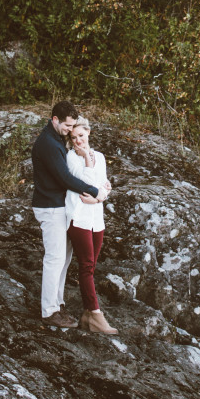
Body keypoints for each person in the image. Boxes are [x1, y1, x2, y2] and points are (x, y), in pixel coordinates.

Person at [31, 101, 101, 327]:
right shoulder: (48, 144)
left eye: (73, 126)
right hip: (50, 207)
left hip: (58, 207)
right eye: (67, 126)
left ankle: (57, 304)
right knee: (55, 258)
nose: (70, 131)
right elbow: (65, 179)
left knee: (64, 258)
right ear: (54, 120)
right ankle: (49, 311)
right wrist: (94, 191)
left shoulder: (55, 137)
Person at [65, 117, 117, 335]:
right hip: (78, 218)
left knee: (92, 267)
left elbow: (104, 187)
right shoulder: (70, 158)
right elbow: (83, 185)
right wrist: (86, 158)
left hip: (96, 219)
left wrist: (98, 198)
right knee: (86, 266)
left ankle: (87, 316)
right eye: (74, 137)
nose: (78, 141)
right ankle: (95, 315)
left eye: (81, 136)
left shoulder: (102, 157)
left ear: (88, 133)